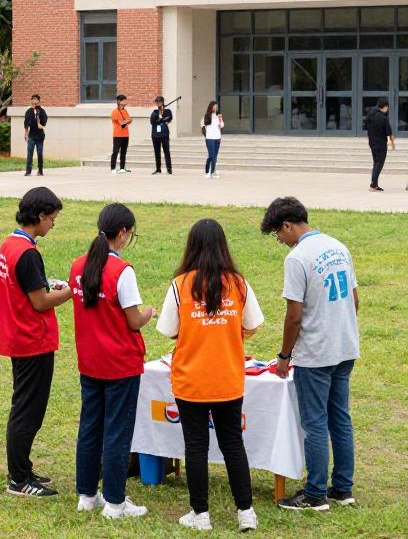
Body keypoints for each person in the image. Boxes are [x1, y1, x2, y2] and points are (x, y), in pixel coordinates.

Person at [156, 219, 264, 532]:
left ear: (191, 246)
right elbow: (253, 324)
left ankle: (200, 515)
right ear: (223, 246)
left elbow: (168, 331)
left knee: (196, 446)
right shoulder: (239, 283)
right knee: (233, 444)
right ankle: (246, 512)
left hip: (191, 381)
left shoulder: (180, 285)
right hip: (228, 378)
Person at [260, 197, 360, 511]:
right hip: (344, 347)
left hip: (316, 354)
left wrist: (284, 355)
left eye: (278, 234)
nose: (280, 240)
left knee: (315, 422)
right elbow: (354, 300)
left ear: (288, 225)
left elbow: (294, 316)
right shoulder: (338, 246)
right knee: (340, 418)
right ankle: (342, 489)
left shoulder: (297, 258)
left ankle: (316, 494)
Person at [68, 203, 154, 519]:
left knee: (90, 426)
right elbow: (133, 320)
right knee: (117, 431)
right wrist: (149, 314)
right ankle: (115, 502)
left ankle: (87, 494)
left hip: (90, 360)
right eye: (130, 234)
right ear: (122, 233)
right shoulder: (122, 271)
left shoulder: (78, 266)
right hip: (120, 363)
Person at [0, 187, 72, 497]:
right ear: (39, 216)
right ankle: (18, 479)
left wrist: (47, 284)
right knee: (28, 410)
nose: (53, 224)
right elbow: (40, 302)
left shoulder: (11, 245)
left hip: (19, 335)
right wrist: (72, 292)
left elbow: (27, 287)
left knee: (25, 406)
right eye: (52, 218)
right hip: (32, 340)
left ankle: (23, 469)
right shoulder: (27, 253)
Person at [365, 98, 395, 191]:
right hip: (381, 144)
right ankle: (373, 185)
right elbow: (389, 133)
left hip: (372, 143)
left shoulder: (370, 115)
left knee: (376, 163)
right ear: (385, 107)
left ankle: (375, 184)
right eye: (387, 107)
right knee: (379, 164)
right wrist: (393, 143)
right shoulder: (383, 118)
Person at [23, 94, 48, 176]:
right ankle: (28, 171)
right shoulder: (28, 111)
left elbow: (44, 121)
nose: (34, 101)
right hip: (31, 136)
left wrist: (39, 119)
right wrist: (26, 133)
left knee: (40, 153)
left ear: (39, 101)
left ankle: (40, 170)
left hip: (40, 136)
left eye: (36, 99)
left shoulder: (42, 111)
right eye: (33, 99)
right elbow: (26, 123)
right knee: (29, 153)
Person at [150, 96, 173, 175]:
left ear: (163, 102)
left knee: (166, 151)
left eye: (160, 102)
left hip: (164, 134)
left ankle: (169, 169)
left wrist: (162, 118)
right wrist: (161, 119)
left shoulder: (167, 111)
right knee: (157, 152)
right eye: (157, 102)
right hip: (155, 135)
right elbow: (153, 122)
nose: (158, 104)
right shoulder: (154, 112)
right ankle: (158, 169)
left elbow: (169, 118)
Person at [202, 101, 224, 178]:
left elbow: (221, 125)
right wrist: (206, 135)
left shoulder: (218, 115)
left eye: (217, 106)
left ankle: (212, 172)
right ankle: (208, 172)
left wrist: (220, 120)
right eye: (215, 106)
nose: (216, 107)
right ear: (211, 107)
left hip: (217, 138)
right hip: (210, 138)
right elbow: (203, 126)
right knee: (211, 156)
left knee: (215, 156)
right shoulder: (207, 116)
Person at [110, 95, 131, 174]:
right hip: (117, 135)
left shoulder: (125, 111)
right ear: (119, 101)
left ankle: (122, 168)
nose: (126, 102)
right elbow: (122, 122)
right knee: (115, 151)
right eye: (124, 100)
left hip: (126, 135)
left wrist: (127, 120)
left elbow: (130, 120)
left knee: (124, 152)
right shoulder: (115, 112)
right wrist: (127, 120)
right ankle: (113, 168)